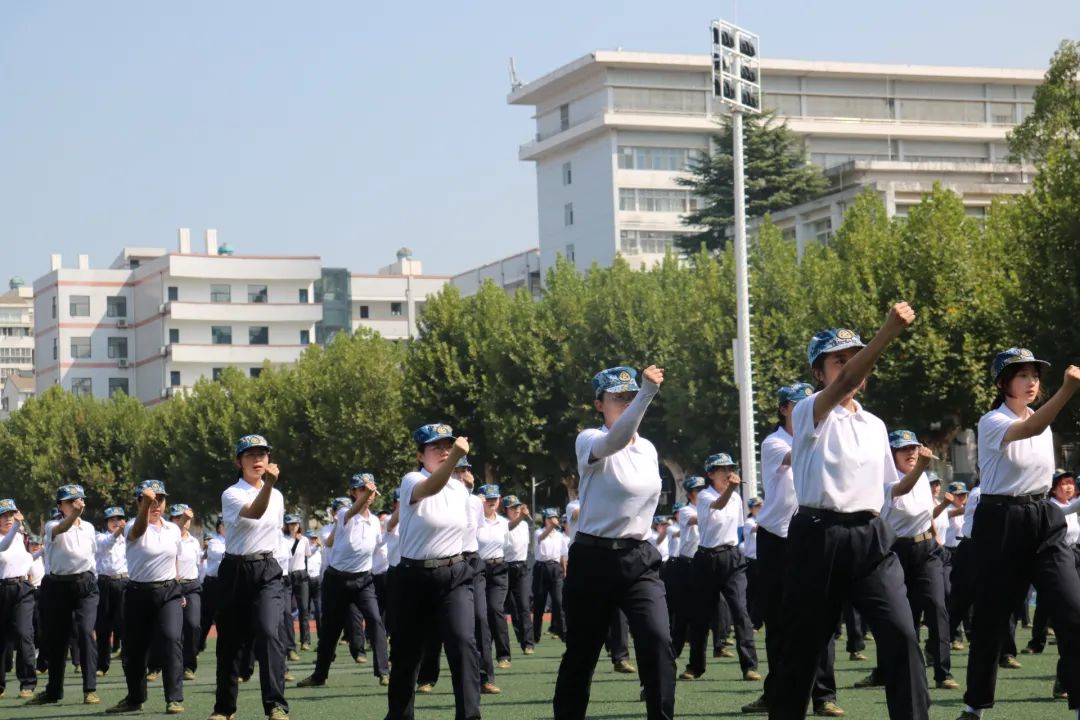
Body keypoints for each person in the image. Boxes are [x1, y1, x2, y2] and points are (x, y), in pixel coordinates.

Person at [767, 308, 930, 720]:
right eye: (840, 360)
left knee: (902, 635)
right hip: (818, 537)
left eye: (856, 358)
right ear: (818, 373)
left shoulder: (875, 425)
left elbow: (888, 489)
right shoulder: (808, 410)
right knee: (803, 650)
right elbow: (844, 384)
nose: (853, 367)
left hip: (871, 537)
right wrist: (888, 331)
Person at [958, 348, 1080, 720]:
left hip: (1044, 517)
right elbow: (1030, 428)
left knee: (1074, 610)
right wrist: (1067, 390)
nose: (1032, 382)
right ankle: (975, 705)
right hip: (1001, 520)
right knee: (991, 621)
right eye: (1022, 375)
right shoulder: (992, 420)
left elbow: (1038, 426)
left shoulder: (1041, 419)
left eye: (1035, 376)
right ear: (1003, 383)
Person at [553, 364, 675, 720]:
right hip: (593, 557)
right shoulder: (589, 439)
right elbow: (615, 441)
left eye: (630, 396)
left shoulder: (648, 449)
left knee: (658, 641)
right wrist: (646, 393)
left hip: (638, 557)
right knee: (582, 653)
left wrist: (643, 395)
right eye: (618, 398)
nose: (626, 402)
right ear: (598, 405)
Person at [742, 382, 843, 717]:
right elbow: (797, 452)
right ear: (784, 409)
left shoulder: (825, 435)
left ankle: (824, 696)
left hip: (813, 535)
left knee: (820, 619)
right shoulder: (775, 442)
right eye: (798, 405)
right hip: (777, 540)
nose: (805, 410)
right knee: (778, 622)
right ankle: (776, 693)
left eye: (810, 403)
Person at [385, 424, 479, 720]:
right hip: (414, 577)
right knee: (407, 653)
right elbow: (431, 487)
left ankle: (470, 716)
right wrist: (455, 459)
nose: (444, 452)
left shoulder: (460, 490)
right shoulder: (412, 480)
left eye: (448, 446)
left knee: (463, 643)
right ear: (420, 455)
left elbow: (466, 534)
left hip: (454, 575)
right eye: (435, 447)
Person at [855, 430, 958, 691]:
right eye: (903, 449)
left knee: (937, 606)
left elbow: (926, 512)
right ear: (891, 455)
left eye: (913, 447)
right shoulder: (884, 479)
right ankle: (886, 670)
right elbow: (903, 488)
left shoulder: (922, 476)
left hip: (926, 549)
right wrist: (922, 464)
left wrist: (935, 536)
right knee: (898, 616)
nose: (911, 453)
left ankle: (943, 672)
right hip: (895, 552)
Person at [211, 434, 289, 720]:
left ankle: (275, 705)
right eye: (250, 455)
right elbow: (255, 512)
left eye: (262, 454)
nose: (258, 460)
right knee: (229, 642)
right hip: (235, 570)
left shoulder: (277, 495)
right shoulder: (232, 493)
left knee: (269, 633)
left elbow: (275, 532)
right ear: (238, 462)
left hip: (267, 570)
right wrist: (268, 485)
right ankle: (224, 708)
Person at [298, 472, 389, 689]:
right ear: (353, 492)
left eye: (371, 491)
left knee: (376, 621)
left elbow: (377, 547)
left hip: (363, 580)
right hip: (337, 581)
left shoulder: (374, 521)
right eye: (362, 490)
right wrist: (365, 495)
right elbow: (354, 510)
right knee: (331, 630)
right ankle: (319, 675)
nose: (368, 495)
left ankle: (384, 672)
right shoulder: (344, 513)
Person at [106, 480, 185, 715]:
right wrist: (145, 508)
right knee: (135, 649)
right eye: (150, 500)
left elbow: (175, 559)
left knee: (171, 640)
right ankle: (135, 698)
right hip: (138, 593)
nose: (156, 504)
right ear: (139, 502)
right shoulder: (133, 525)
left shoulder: (172, 529)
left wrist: (179, 588)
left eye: (160, 500)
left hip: (169, 592)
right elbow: (138, 531)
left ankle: (174, 698)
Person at [680, 452, 760, 683]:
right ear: (710, 474)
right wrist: (732, 488)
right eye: (722, 469)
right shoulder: (705, 496)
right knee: (701, 615)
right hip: (707, 558)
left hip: (732, 557)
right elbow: (718, 504)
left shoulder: (736, 498)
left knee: (741, 612)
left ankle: (749, 666)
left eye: (730, 469)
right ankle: (695, 666)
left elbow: (737, 528)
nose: (728, 473)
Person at [27, 484, 101, 706]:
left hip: (86, 585)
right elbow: (62, 527)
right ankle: (53, 691)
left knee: (86, 632)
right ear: (60, 505)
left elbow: (92, 555)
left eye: (79, 500)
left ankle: (90, 689)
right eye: (70, 501)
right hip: (57, 586)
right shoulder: (52, 525)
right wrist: (74, 514)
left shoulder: (89, 528)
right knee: (57, 640)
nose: (76, 504)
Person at [0, 499, 36, 701]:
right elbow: (3, 547)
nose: (8, 519)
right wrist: (16, 527)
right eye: (4, 515)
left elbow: (27, 559)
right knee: (2, 638)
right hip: (2, 589)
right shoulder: (9, 536)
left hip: (22, 589)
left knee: (24, 633)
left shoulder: (20, 536)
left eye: (11, 515)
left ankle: (28, 682)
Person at [477, 484, 512, 670]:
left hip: (499, 569)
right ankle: (482, 655)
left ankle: (503, 654)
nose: (492, 502)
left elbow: (506, 545)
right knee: (480, 614)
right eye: (488, 499)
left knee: (496, 609)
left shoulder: (504, 523)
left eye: (495, 499)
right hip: (479, 570)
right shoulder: (475, 521)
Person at [169, 504, 203, 681]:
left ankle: (189, 666)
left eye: (186, 518)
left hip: (192, 586)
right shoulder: (168, 540)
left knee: (193, 625)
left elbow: (197, 565)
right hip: (172, 586)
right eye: (177, 518)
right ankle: (161, 665)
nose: (183, 521)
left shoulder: (194, 542)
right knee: (172, 630)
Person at [95, 506, 128, 679]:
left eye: (119, 519)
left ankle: (129, 662)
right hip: (104, 583)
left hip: (124, 582)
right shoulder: (100, 537)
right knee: (103, 626)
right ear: (106, 523)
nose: (116, 523)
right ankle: (102, 664)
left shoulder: (129, 539)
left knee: (125, 624)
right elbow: (108, 543)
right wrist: (119, 532)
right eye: (112, 520)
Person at [502, 494, 535, 656]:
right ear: (505, 510)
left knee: (524, 606)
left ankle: (528, 643)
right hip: (505, 567)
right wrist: (521, 516)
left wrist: (524, 516)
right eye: (513, 508)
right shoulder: (502, 523)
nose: (516, 510)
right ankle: (518, 640)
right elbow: (509, 527)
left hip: (521, 567)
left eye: (518, 507)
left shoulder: (524, 524)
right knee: (511, 608)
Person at [533, 508, 567, 645]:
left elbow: (562, 555)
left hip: (555, 568)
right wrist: (551, 527)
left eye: (554, 518)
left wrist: (564, 571)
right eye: (549, 518)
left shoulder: (560, 536)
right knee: (539, 604)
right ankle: (535, 636)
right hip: (541, 568)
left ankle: (563, 634)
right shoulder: (538, 532)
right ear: (545, 520)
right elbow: (541, 538)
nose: (552, 520)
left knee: (559, 603)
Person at [199, 518, 226, 653]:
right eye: (223, 524)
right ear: (218, 527)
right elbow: (220, 554)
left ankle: (224, 651)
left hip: (227, 583)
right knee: (206, 618)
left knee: (224, 620)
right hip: (213, 583)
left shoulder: (234, 540)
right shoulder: (214, 541)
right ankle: (197, 646)